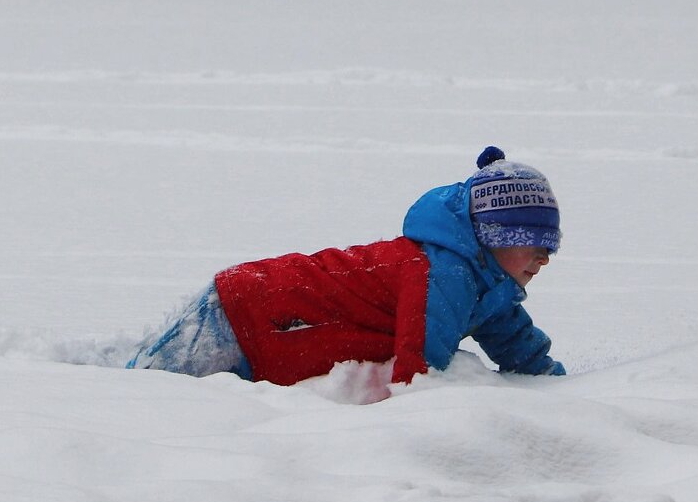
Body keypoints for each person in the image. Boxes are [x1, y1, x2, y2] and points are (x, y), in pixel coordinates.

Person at [126, 146, 566, 386]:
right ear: (492, 236)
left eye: (552, 246)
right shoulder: (441, 274)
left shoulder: (486, 285)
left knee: (158, 389)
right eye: (534, 244)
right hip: (248, 308)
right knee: (144, 394)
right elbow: (420, 374)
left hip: (263, 312)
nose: (544, 257)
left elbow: (518, 346)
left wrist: (560, 389)